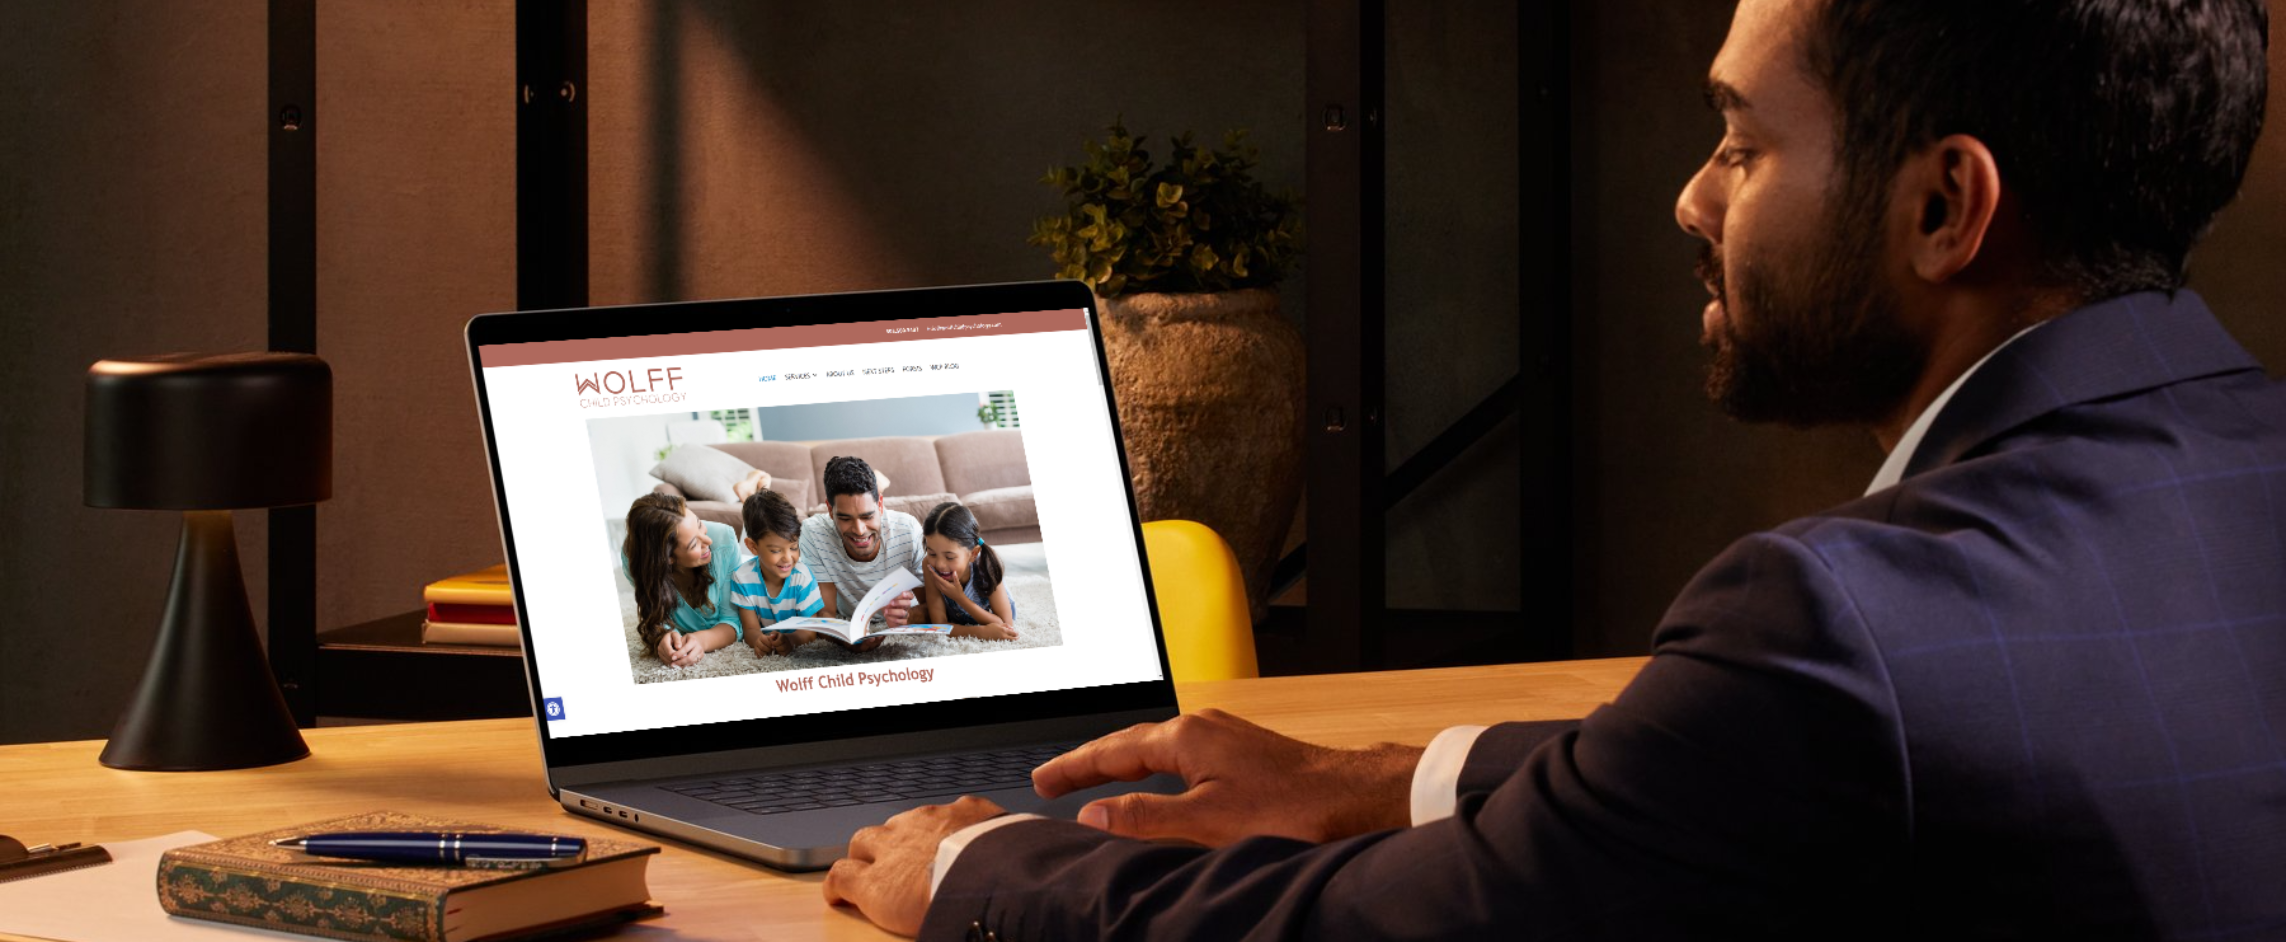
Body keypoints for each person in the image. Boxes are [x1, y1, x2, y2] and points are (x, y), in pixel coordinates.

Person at [823, 1, 2286, 938]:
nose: (1690, 197)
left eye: (1738, 142)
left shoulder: (1840, 620)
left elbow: (1382, 931)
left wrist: (978, 872)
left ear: (1941, 206)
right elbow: (1774, 779)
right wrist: (1384, 777)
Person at [799, 455, 922, 652]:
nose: (859, 530)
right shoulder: (814, 532)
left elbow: (933, 606)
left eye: (868, 516)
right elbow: (825, 613)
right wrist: (844, 640)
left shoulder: (907, 530)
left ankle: (879, 482)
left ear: (880, 505)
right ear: (830, 510)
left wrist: (909, 617)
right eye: (846, 518)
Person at [622, 492, 742, 668]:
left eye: (700, 524)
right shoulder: (637, 562)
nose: (708, 540)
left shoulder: (724, 540)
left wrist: (702, 641)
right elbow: (656, 614)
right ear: (667, 558)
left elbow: (733, 620)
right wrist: (664, 636)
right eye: (694, 544)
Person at [730, 488, 825, 655]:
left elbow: (810, 631)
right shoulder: (742, 578)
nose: (788, 558)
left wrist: (790, 640)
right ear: (752, 547)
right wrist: (759, 640)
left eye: (794, 547)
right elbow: (750, 629)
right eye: (776, 551)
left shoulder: (802, 577)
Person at [918, 501, 1020, 641]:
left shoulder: (986, 565)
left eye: (950, 557)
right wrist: (982, 632)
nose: (940, 565)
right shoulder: (929, 566)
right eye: (932, 554)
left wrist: (960, 597)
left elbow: (1006, 626)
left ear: (973, 553)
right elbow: (939, 625)